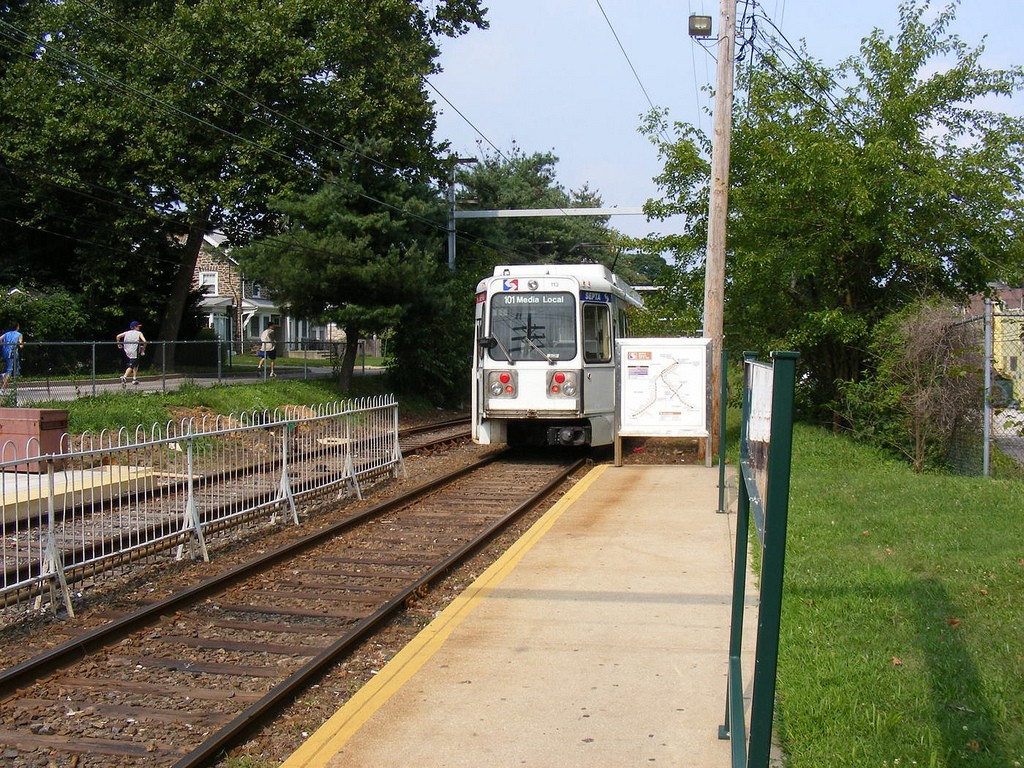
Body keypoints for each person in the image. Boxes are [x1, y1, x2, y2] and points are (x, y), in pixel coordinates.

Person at [116, 320, 147, 385]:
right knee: (132, 364)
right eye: (138, 326)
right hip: (134, 350)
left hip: (127, 350)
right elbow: (144, 341)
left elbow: (118, 336)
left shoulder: (127, 332)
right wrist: (143, 348)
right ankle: (125, 376)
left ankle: (134, 378)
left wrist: (118, 344)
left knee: (135, 363)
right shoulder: (139, 333)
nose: (139, 328)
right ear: (135, 327)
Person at [1, 322, 24, 389]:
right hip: (12, 353)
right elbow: (21, 345)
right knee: (9, 370)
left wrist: (4, 344)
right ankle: (2, 389)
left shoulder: (6, 334)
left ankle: (5, 376)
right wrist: (21, 344)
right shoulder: (19, 334)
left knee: (13, 368)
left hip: (5, 351)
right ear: (17, 327)